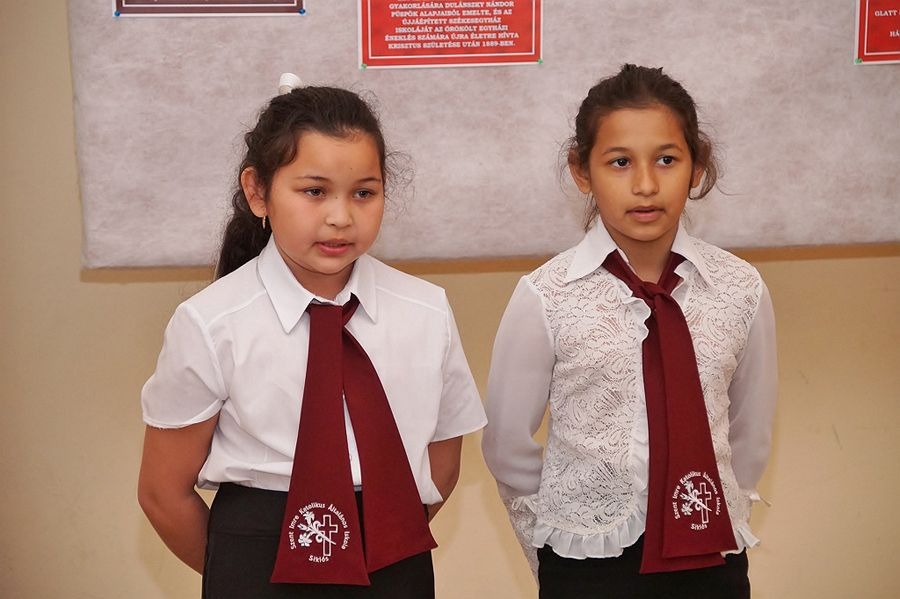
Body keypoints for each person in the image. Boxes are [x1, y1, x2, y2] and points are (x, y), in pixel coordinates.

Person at [138, 77, 486, 598]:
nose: (340, 217)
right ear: (258, 192)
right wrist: (237, 572)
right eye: (314, 191)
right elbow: (163, 493)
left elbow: (443, 461)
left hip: (390, 557)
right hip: (258, 560)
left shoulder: (426, 311)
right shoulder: (210, 322)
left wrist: (383, 540)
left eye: (364, 193)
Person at [482, 64, 777, 598]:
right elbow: (507, 446)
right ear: (582, 172)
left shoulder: (740, 289)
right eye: (620, 162)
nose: (645, 185)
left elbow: (748, 434)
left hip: (709, 550)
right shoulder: (546, 295)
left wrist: (719, 510)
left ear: (697, 166)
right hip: (587, 563)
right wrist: (553, 549)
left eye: (667, 159)